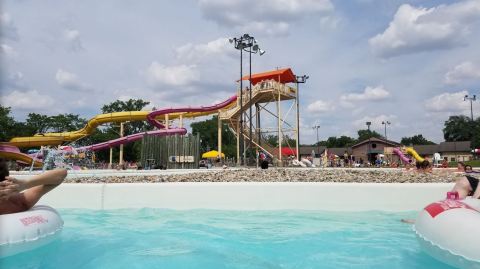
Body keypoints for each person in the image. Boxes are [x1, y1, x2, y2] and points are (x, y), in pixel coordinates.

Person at [0, 158, 67, 215]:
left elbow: (62, 174)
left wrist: (25, 184)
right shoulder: (19, 203)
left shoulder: (20, 202)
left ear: (7, 185)